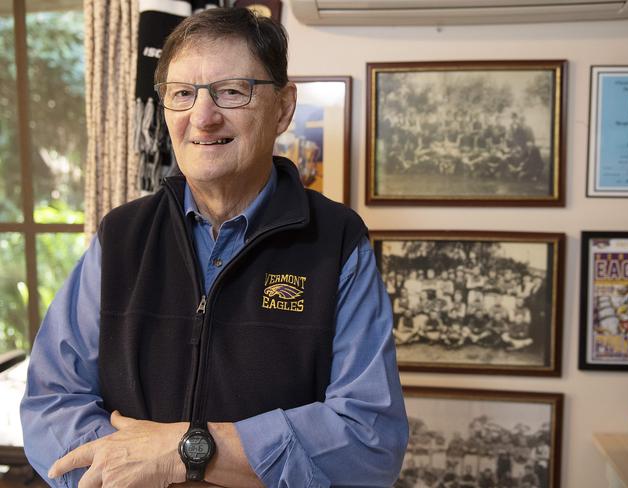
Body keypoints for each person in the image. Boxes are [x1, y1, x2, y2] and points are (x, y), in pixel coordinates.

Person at [20, 8, 408, 488]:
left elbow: (370, 440)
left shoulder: (337, 241)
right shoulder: (121, 237)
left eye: (231, 91)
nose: (203, 117)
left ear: (283, 107)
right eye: (183, 94)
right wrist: (119, 468)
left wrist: (184, 451)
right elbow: (50, 404)